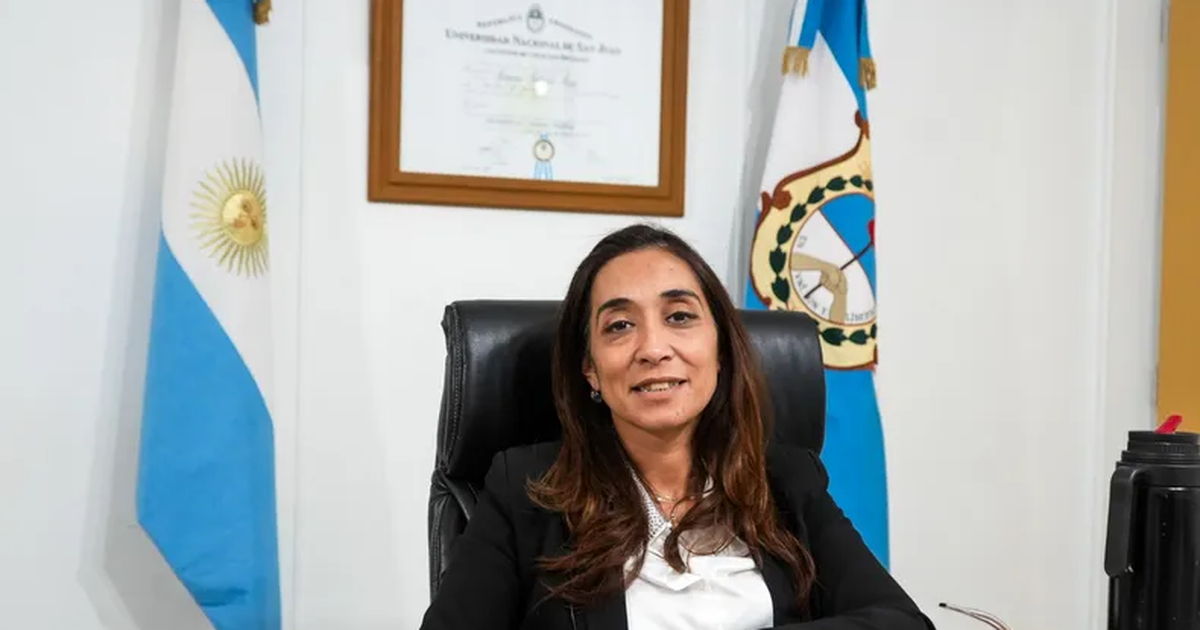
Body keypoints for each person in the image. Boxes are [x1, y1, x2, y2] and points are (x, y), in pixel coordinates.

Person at [419, 224, 934, 630]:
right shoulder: (526, 489)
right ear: (590, 369)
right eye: (620, 325)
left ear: (720, 348)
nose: (653, 348)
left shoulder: (786, 479)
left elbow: (901, 622)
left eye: (680, 317)